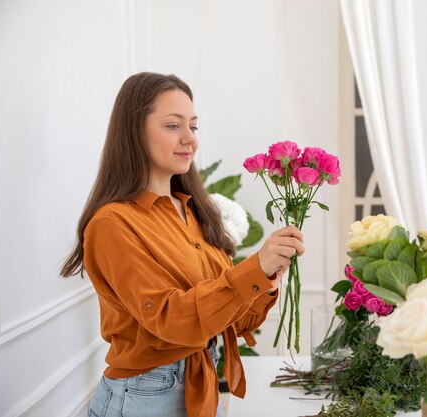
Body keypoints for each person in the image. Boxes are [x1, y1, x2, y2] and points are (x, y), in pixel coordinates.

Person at [60, 72, 304, 417]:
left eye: (193, 126)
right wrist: (254, 269)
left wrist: (267, 280)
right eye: (173, 125)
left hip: (199, 386)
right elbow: (171, 320)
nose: (190, 139)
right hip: (145, 397)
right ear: (134, 131)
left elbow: (227, 321)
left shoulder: (194, 212)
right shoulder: (111, 224)